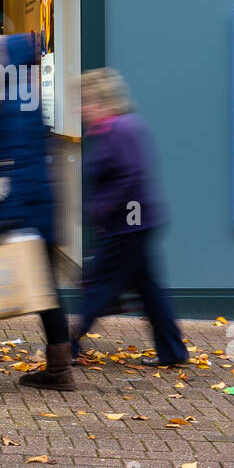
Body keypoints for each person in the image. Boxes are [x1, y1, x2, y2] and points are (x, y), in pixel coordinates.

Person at [0, 32, 75, 391]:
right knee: (46, 290)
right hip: (35, 208)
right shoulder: (21, 94)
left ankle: (60, 368)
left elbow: (14, 164)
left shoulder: (13, 99)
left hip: (25, 210)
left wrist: (3, 216)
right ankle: (60, 366)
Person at [74, 67, 187, 367]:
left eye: (84, 101)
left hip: (127, 225)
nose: (80, 108)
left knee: (99, 287)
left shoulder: (121, 130)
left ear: (100, 101)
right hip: (134, 223)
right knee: (149, 290)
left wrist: (104, 211)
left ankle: (66, 349)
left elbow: (131, 176)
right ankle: (173, 351)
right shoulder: (118, 128)